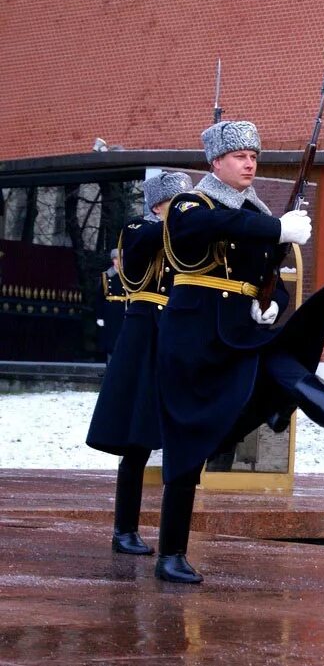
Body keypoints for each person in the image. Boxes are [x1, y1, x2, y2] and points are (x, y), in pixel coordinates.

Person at [155, 120, 324, 584]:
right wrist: (275, 227)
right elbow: (205, 227)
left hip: (240, 333)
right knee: (188, 442)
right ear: (215, 162)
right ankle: (170, 553)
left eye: (254, 156)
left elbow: (271, 282)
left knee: (281, 359)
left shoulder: (258, 214)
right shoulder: (191, 202)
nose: (249, 163)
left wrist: (271, 305)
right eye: (239, 155)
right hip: (194, 338)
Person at [86, 171, 194, 556]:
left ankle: (174, 534)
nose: (184, 210)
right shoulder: (138, 227)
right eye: (175, 202)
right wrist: (179, 221)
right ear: (157, 205)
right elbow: (145, 242)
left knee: (183, 437)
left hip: (177, 333)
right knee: (137, 441)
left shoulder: (186, 233)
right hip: (144, 333)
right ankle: (124, 529)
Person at [95, 248, 126, 360]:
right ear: (113, 260)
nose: (118, 261)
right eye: (116, 259)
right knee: (110, 341)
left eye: (121, 259)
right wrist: (99, 316)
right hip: (109, 311)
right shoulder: (106, 276)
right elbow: (99, 298)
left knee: (122, 340)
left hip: (123, 310)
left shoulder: (128, 277)